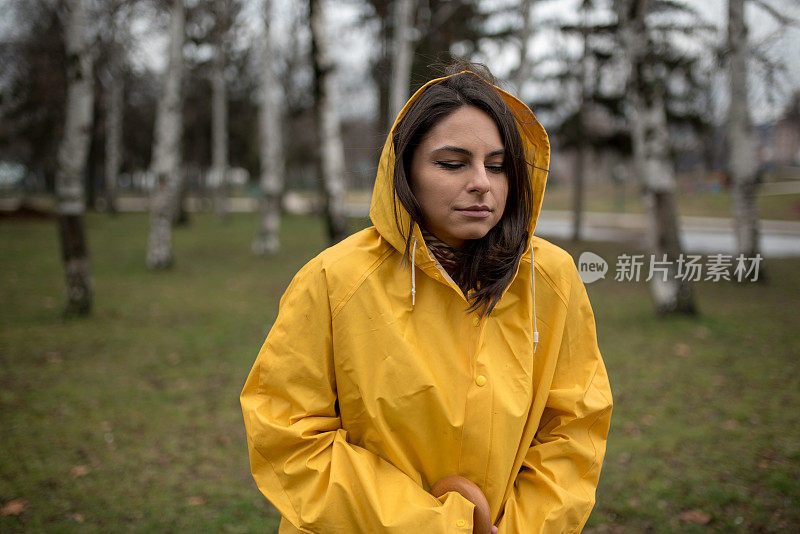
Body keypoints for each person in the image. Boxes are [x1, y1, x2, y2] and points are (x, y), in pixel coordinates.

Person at [240, 63, 613, 533]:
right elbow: (290, 438)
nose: (481, 182)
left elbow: (574, 427)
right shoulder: (333, 281)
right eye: (453, 164)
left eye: (497, 166)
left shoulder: (551, 279)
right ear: (405, 171)